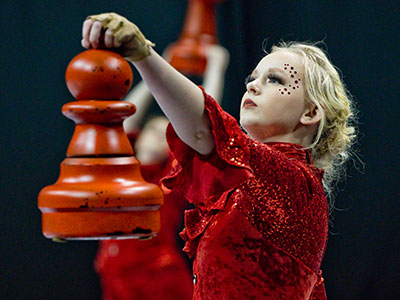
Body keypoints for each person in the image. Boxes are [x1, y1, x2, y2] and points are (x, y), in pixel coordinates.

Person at [82, 12, 357, 300]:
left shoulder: (297, 182)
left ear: (311, 112)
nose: (252, 85)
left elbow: (205, 129)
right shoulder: (243, 182)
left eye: (274, 79)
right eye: (252, 78)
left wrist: (143, 54)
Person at [94, 37, 229, 300]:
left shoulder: (171, 176)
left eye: (166, 135)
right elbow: (122, 117)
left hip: (159, 280)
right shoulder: (120, 166)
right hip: (114, 277)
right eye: (154, 130)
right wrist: (158, 65)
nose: (160, 136)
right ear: (139, 135)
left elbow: (203, 121)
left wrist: (216, 67)